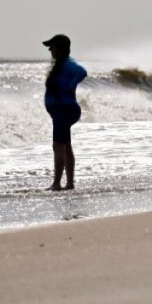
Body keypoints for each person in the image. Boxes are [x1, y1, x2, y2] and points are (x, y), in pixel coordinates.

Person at [42, 34, 87, 191]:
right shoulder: (60, 65)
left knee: (58, 146)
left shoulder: (68, 63)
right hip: (61, 110)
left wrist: (71, 85)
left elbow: (82, 72)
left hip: (64, 110)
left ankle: (56, 184)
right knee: (65, 145)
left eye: (52, 47)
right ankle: (69, 183)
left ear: (61, 48)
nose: (50, 50)